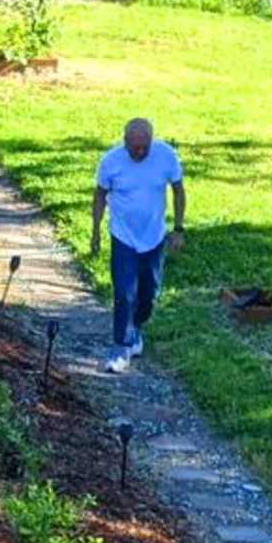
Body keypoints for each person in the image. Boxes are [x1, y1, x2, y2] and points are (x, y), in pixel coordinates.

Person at [90, 116, 185, 371]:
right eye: (135, 147)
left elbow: (178, 190)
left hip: (154, 236)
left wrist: (178, 229)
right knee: (124, 293)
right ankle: (120, 347)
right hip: (123, 236)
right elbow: (99, 195)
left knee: (149, 294)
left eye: (145, 146)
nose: (140, 151)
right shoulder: (111, 162)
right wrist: (96, 231)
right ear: (125, 142)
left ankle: (136, 329)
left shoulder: (166, 156)